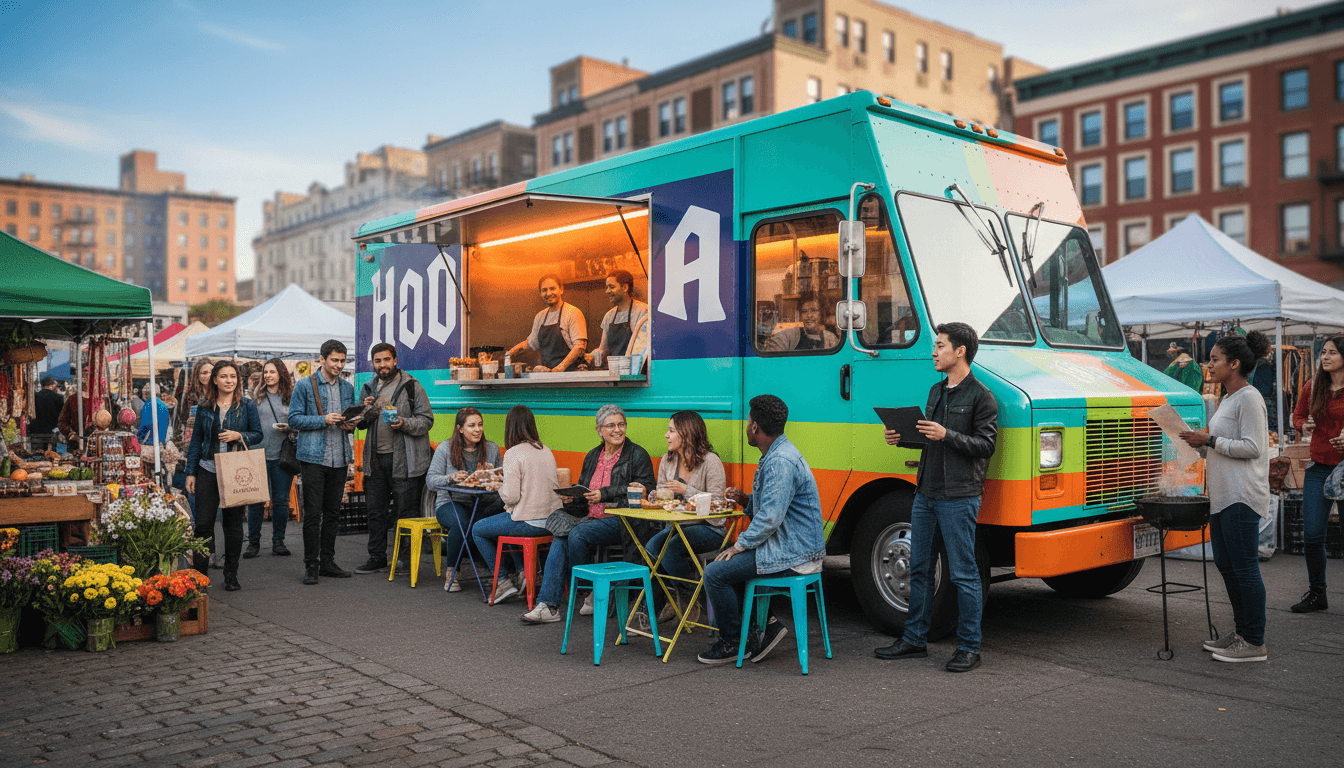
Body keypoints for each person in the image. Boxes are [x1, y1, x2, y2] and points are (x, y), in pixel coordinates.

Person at [874, 322, 997, 673]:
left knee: (963, 574)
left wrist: (948, 434)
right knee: (919, 568)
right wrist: (904, 438)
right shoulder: (935, 391)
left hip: (959, 496)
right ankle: (914, 640)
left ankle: (970, 648)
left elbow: (985, 446)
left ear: (960, 351)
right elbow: (931, 439)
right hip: (925, 492)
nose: (934, 352)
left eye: (940, 346)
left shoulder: (981, 397)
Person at [697, 394, 826, 665]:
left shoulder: (780, 461)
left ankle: (733, 642)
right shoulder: (777, 453)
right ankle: (766, 626)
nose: (746, 425)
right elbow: (771, 507)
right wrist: (745, 500)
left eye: (747, 421)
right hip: (790, 547)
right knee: (733, 566)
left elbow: (769, 518)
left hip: (795, 554)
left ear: (755, 427)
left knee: (715, 572)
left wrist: (739, 545)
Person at [1180, 331, 1272, 662]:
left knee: (1244, 567)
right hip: (1222, 497)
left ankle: (1254, 641)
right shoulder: (1229, 398)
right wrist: (1199, 444)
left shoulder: (1249, 398)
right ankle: (1242, 633)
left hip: (1241, 496)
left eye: (1216, 359)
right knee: (1227, 565)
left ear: (1234, 364)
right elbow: (1222, 445)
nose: (1209, 364)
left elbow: (1254, 447)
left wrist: (1209, 441)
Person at [521, 404, 655, 623]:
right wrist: (572, 499)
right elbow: (584, 496)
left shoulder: (637, 454)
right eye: (610, 425)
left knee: (577, 534)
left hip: (621, 520)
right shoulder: (593, 456)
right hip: (590, 518)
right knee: (561, 535)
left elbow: (645, 487)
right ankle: (548, 606)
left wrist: (605, 494)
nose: (617, 430)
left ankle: (588, 588)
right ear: (599, 430)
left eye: (621, 424)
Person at [353, 343, 434, 575]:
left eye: (386, 360)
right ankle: (376, 557)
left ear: (395, 360)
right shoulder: (368, 388)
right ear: (373, 363)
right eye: (377, 361)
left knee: (405, 512)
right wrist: (365, 411)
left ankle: (405, 561)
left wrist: (404, 423)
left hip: (404, 460)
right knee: (375, 511)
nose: (382, 365)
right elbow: (362, 423)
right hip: (375, 460)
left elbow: (427, 420)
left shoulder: (411, 386)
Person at [183, 361, 263, 592]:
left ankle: (231, 574)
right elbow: (196, 441)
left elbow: (258, 434)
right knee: (204, 525)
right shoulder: (204, 406)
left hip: (234, 472)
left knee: (233, 525)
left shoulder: (246, 405)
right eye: (224, 376)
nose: (229, 380)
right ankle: (200, 577)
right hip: (207, 469)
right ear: (214, 380)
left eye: (233, 376)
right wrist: (191, 472)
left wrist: (240, 435)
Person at [642, 411, 728, 622]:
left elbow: (717, 502)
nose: (666, 435)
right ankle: (676, 594)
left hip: (709, 527)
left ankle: (688, 594)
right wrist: (651, 496)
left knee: (671, 548)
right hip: (675, 526)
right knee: (651, 548)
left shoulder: (710, 461)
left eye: (671, 431)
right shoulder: (667, 460)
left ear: (687, 434)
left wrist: (686, 490)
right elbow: (663, 495)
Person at [471, 405, 559, 604]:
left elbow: (510, 497)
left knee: (478, 529)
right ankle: (524, 574)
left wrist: (499, 485)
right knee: (505, 522)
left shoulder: (512, 453)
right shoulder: (545, 449)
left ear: (510, 427)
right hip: (551, 522)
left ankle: (502, 581)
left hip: (530, 522)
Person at [289, 340, 358, 585]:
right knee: (312, 514)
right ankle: (311, 565)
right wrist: (323, 419)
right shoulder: (304, 386)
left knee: (332, 513)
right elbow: (294, 419)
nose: (339, 365)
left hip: (339, 457)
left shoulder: (347, 388)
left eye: (342, 360)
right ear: (322, 359)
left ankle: (328, 561)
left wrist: (351, 424)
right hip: (313, 457)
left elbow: (349, 420)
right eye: (334, 360)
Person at [1289, 334, 1344, 615]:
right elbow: (1295, 417)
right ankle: (1317, 592)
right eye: (1323, 352)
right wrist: (1304, 425)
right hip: (1318, 468)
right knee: (1312, 535)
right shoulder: (1313, 386)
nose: (1325, 357)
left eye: (1332, 353)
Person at [427, 407, 503, 592]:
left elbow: (502, 478)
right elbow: (430, 481)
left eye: (480, 425)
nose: (477, 430)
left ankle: (508, 574)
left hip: (483, 502)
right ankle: (452, 573)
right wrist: (451, 478)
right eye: (471, 426)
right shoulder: (445, 448)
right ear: (460, 428)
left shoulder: (491, 448)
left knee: (503, 516)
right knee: (462, 522)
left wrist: (491, 479)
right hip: (450, 503)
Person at [243, 359, 298, 559]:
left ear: (281, 374)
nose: (268, 375)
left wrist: (291, 428)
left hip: (281, 456)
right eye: (266, 372)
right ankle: (253, 543)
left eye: (272, 372)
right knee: (256, 501)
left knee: (281, 501)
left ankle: (278, 541)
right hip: (257, 454)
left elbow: (298, 421)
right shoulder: (255, 396)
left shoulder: (290, 398)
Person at [507, 274, 587, 372]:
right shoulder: (540, 317)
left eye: (552, 289)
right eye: (544, 290)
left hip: (571, 375)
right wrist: (508, 354)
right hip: (548, 376)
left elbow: (579, 347)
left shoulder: (573, 313)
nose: (548, 293)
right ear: (540, 293)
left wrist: (559, 369)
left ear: (561, 289)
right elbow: (529, 344)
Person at [172, 360, 214, 523]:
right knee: (194, 492)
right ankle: (196, 532)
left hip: (214, 450)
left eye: (211, 372)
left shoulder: (221, 395)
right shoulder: (189, 397)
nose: (207, 376)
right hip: (193, 450)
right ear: (196, 376)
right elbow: (179, 425)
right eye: (203, 372)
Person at [589, 270, 649, 363]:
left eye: (611, 287)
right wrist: (589, 356)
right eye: (606, 288)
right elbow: (603, 350)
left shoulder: (643, 311)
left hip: (637, 372)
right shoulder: (609, 316)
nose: (607, 291)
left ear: (625, 287)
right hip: (616, 371)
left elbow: (644, 347)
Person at [765, 293, 839, 352]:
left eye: (814, 310)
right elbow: (774, 347)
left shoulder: (830, 338)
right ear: (800, 316)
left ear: (821, 314)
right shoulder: (791, 335)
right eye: (804, 311)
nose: (809, 315)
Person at [31, 377, 63, 452]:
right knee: (52, 456)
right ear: (52, 385)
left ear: (42, 385)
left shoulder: (34, 397)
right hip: (52, 432)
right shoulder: (58, 397)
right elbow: (62, 416)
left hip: (36, 431)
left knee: (36, 455)